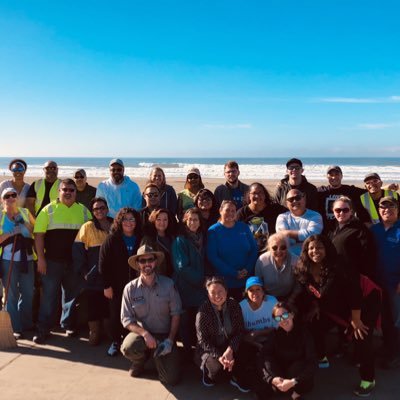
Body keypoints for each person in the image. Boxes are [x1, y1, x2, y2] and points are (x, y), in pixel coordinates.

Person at [293, 235, 380, 396]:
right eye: (311, 248)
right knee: (313, 322)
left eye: (319, 247)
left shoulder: (339, 265)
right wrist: (315, 305)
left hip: (363, 302)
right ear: (305, 251)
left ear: (326, 249)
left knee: (361, 335)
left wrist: (355, 320)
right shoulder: (303, 268)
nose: (315, 251)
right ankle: (321, 357)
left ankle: (368, 379)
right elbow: (310, 292)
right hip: (335, 304)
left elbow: (354, 293)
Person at [33, 179, 91, 344]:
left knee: (70, 296)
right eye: (64, 189)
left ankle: (67, 325)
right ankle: (43, 328)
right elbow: (38, 236)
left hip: (74, 263)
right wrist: (41, 259)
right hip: (52, 262)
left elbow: (90, 236)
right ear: (59, 191)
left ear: (75, 192)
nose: (68, 192)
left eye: (71, 190)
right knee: (49, 297)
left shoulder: (84, 211)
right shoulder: (48, 210)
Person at [120, 244, 182, 385]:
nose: (147, 263)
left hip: (164, 337)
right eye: (142, 261)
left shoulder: (169, 284)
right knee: (128, 347)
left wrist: (170, 340)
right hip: (143, 335)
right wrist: (145, 334)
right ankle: (140, 361)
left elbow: (176, 314)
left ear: (155, 262)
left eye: (150, 260)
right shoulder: (130, 289)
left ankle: (159, 358)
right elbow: (126, 320)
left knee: (171, 380)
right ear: (138, 264)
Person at [195, 276, 250, 393]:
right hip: (211, 349)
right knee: (217, 372)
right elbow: (203, 341)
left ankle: (234, 376)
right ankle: (207, 370)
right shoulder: (203, 312)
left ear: (226, 291)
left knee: (246, 357)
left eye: (220, 291)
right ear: (208, 294)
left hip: (229, 344)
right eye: (212, 292)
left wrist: (230, 350)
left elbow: (240, 330)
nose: (217, 296)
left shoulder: (234, 305)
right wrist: (220, 356)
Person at [99, 207, 141, 356]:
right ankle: (115, 341)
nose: (129, 222)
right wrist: (107, 286)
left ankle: (130, 341)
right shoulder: (112, 239)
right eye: (125, 219)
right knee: (115, 314)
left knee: (134, 314)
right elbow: (103, 264)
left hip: (136, 285)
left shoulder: (140, 238)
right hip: (116, 286)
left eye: (132, 219)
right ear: (119, 221)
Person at [73, 197, 113, 345]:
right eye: (96, 209)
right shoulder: (87, 227)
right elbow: (78, 250)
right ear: (92, 212)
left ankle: (110, 331)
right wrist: (84, 271)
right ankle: (94, 332)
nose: (99, 211)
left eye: (102, 208)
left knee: (109, 304)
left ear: (107, 209)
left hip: (111, 274)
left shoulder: (115, 225)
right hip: (93, 274)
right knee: (93, 304)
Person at [258, 302, 316, 400]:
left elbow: (313, 362)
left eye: (284, 315)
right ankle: (291, 393)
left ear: (292, 314)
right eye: (278, 318)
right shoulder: (275, 335)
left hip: (299, 379)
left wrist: (294, 381)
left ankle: (292, 392)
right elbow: (262, 357)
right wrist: (272, 379)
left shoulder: (304, 333)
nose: (283, 320)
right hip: (282, 377)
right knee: (267, 359)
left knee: (296, 366)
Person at [0, 188, 35, 339]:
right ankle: (15, 326)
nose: (11, 198)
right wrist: (11, 233)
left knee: (28, 292)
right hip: (8, 260)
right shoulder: (0, 216)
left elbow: (35, 230)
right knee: (11, 294)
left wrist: (23, 225)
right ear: (2, 200)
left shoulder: (25, 213)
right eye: (7, 196)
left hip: (27, 258)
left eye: (13, 195)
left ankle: (26, 323)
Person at [172, 208, 207, 357]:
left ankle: (200, 353)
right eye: (190, 219)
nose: (193, 222)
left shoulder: (204, 238)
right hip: (185, 288)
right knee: (185, 322)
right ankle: (186, 353)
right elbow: (182, 267)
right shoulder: (180, 240)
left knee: (200, 323)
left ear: (200, 222)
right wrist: (202, 279)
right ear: (185, 221)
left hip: (201, 290)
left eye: (196, 219)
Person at [207, 200, 258, 301]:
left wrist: (247, 269)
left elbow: (253, 249)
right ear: (220, 211)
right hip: (225, 283)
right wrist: (234, 273)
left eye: (233, 211)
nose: (230, 213)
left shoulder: (243, 227)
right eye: (227, 210)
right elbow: (213, 257)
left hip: (246, 280)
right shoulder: (213, 231)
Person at [370, 196, 400, 369]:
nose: (387, 209)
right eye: (383, 206)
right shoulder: (375, 230)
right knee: (385, 318)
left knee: (396, 320)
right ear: (379, 210)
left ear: (397, 209)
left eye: (391, 206)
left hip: (396, 284)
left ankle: (394, 353)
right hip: (378, 282)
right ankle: (387, 346)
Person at [237, 182, 287, 253]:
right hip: (249, 252)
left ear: (264, 195)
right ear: (249, 196)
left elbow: (291, 213)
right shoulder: (242, 213)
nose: (257, 196)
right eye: (254, 193)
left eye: (260, 193)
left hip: (271, 252)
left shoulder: (274, 209)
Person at [275, 189, 323, 255]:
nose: (294, 201)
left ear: (304, 199)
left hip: (309, 257)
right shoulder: (282, 217)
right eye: (291, 199)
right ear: (286, 204)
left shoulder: (316, 216)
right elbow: (282, 238)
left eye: (297, 198)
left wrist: (288, 234)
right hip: (288, 258)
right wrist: (303, 237)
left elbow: (313, 235)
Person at [317, 165, 365, 231]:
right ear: (327, 177)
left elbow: (370, 191)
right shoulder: (321, 191)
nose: (334, 177)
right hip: (327, 229)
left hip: (347, 229)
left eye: (337, 174)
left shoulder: (350, 190)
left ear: (341, 176)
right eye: (331, 175)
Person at [255, 233, 298, 300]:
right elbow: (257, 283)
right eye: (274, 248)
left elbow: (298, 284)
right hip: (267, 297)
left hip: (289, 297)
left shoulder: (295, 260)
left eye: (283, 247)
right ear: (269, 248)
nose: (279, 251)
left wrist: (291, 299)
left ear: (287, 248)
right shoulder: (262, 260)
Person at [141, 208, 176, 277]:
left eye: (165, 220)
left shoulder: (173, 238)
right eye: (158, 219)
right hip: (156, 280)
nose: (162, 223)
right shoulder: (148, 240)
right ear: (154, 221)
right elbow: (143, 263)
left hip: (173, 280)